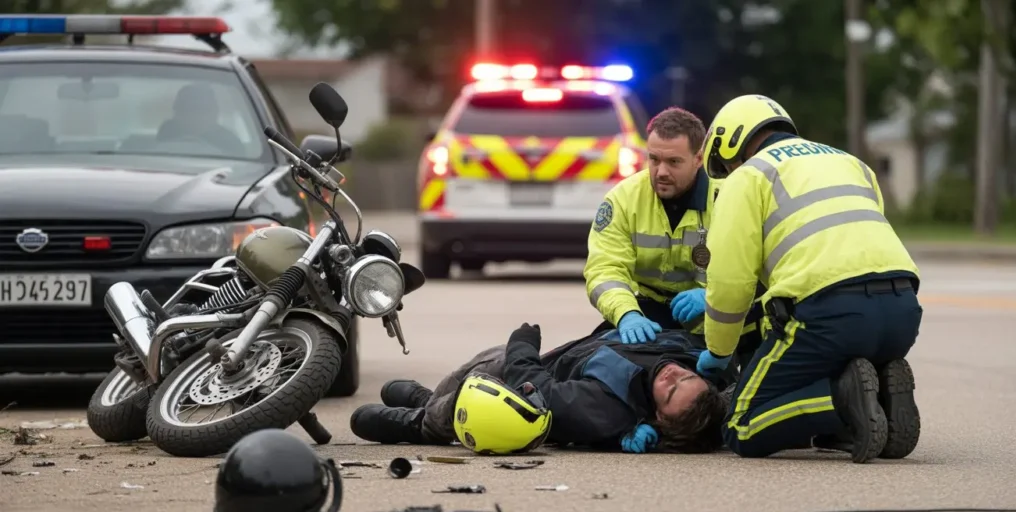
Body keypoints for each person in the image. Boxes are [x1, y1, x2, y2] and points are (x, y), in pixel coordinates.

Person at [695, 94, 923, 464]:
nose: (727, 173)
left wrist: (719, 351)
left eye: (724, 165)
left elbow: (730, 283)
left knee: (741, 425)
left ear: (732, 141)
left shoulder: (750, 175)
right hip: (902, 311)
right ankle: (876, 398)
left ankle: (841, 399)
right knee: (822, 369)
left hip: (831, 316)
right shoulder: (852, 163)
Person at [349, 323, 733, 454]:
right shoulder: (691, 358)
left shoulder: (607, 408)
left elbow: (536, 389)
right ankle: (426, 397)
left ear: (659, 417)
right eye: (686, 377)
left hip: (521, 379)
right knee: (466, 374)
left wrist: (523, 345)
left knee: (480, 393)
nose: (672, 375)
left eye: (671, 391)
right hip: (551, 358)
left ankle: (418, 422)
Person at [583, 107, 763, 362]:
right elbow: (604, 271)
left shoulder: (729, 199)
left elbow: (762, 267)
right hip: (648, 315)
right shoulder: (623, 199)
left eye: (674, 162)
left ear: (698, 158)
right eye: (654, 159)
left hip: (722, 315)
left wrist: (713, 297)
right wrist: (626, 315)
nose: (661, 171)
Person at [157, 83, 244, 156]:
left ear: (214, 113)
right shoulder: (168, 132)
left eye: (200, 109)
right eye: (187, 109)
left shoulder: (229, 142)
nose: (193, 115)